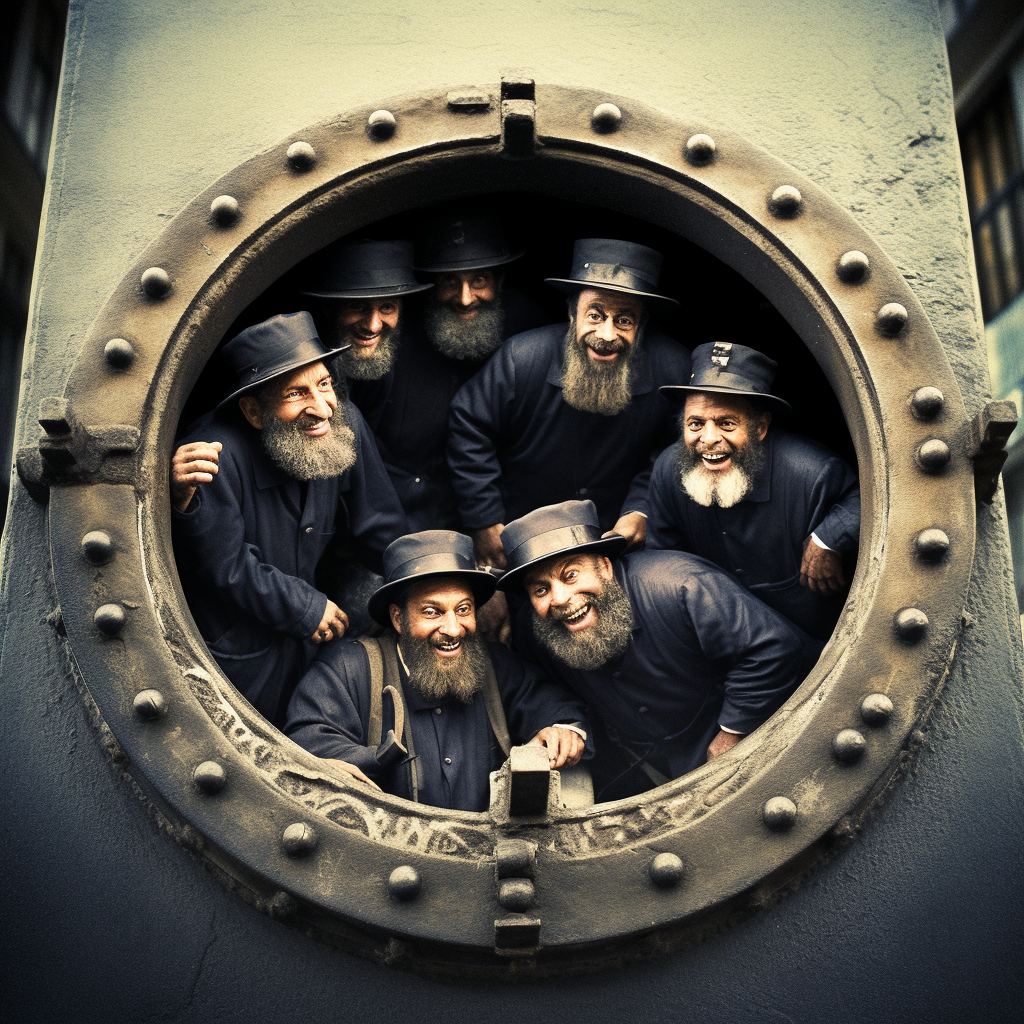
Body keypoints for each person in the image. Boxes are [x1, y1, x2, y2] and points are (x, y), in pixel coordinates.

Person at [170, 311, 408, 726]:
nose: (321, 408)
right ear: (253, 412)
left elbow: (381, 527)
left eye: (325, 384)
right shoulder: (211, 454)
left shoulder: (341, 420)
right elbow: (223, 566)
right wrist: (303, 606)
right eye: (296, 394)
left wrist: (419, 585)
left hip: (314, 648)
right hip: (241, 655)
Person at [499, 501, 820, 800]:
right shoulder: (536, 630)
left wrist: (731, 734)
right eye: (541, 589)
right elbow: (544, 689)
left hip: (774, 733)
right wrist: (562, 726)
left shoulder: (680, 586)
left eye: (570, 575)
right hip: (653, 770)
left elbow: (772, 649)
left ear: (605, 567)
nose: (559, 598)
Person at [285, 531, 589, 811]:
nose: (453, 629)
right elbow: (307, 740)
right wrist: (377, 758)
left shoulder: (494, 666)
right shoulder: (349, 667)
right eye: (432, 612)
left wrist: (562, 731)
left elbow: (556, 706)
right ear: (398, 619)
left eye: (463, 609)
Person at [447, 237, 691, 571]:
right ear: (572, 313)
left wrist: (643, 508)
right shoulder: (522, 357)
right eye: (595, 315)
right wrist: (484, 520)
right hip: (519, 537)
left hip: (612, 542)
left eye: (624, 319)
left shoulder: (672, 370)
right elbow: (469, 427)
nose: (606, 334)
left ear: (642, 324)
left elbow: (676, 448)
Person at [648, 342, 860, 639]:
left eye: (726, 423)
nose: (708, 439)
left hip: (815, 642)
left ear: (760, 427)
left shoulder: (813, 472)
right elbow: (663, 562)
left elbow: (875, 499)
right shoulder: (669, 470)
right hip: (724, 642)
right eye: (695, 423)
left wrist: (830, 539)